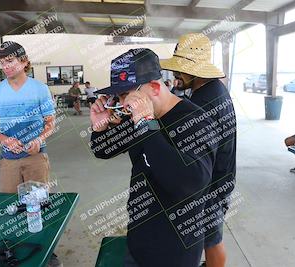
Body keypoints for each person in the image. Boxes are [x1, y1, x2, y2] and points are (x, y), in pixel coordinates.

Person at [90, 48, 218, 267]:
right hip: (140, 236)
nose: (121, 104)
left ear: (155, 88)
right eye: (118, 96)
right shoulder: (140, 118)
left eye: (125, 95)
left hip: (175, 247)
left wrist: (146, 124)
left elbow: (191, 183)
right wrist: (101, 128)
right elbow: (103, 150)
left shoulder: (194, 121)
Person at [161, 33, 237, 267]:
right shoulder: (213, 90)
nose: (175, 74)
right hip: (220, 175)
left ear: (197, 71)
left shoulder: (203, 102)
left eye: (181, 69)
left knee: (211, 239)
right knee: (208, 234)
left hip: (212, 182)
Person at [0, 41, 56, 193]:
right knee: (11, 203)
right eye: (2, 63)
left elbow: (50, 122)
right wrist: (4, 139)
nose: (5, 66)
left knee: (38, 202)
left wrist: (39, 139)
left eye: (9, 61)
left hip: (36, 157)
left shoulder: (40, 89)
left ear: (24, 61)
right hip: (8, 158)